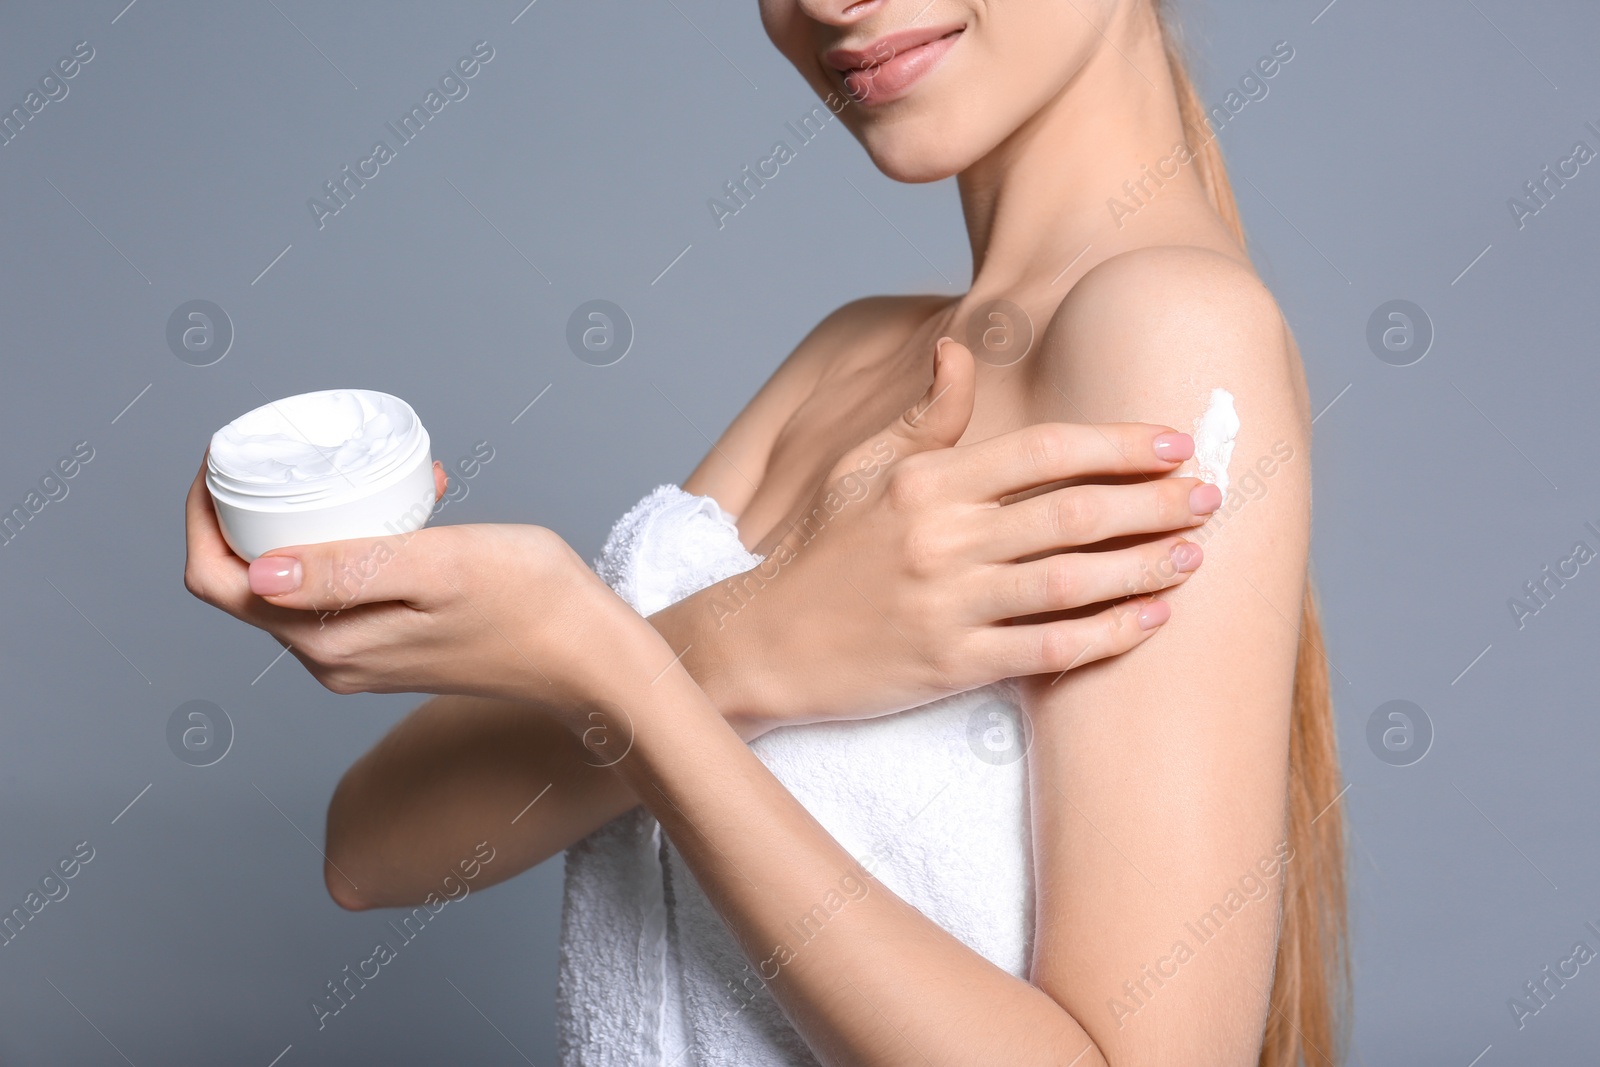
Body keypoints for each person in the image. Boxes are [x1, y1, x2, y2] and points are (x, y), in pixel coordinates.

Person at [183, 0, 1347, 1063]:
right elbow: (370, 849)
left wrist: (618, 672)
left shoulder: (1169, 329)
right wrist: (749, 643)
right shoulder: (846, 358)